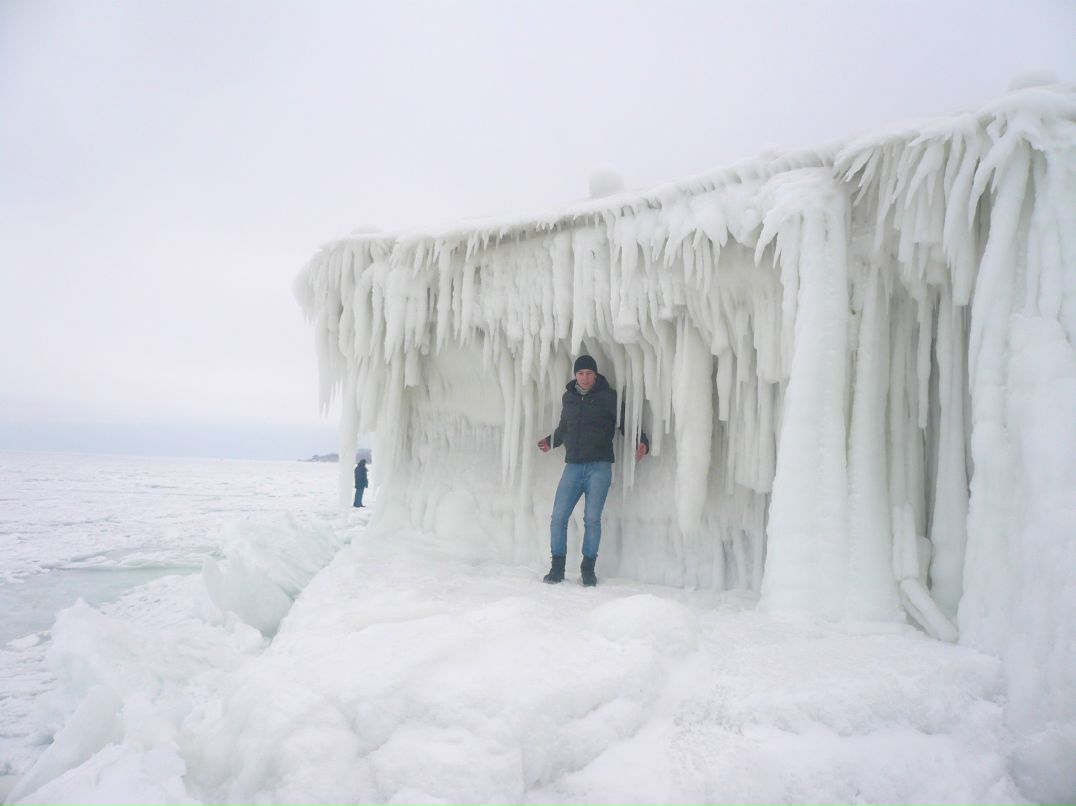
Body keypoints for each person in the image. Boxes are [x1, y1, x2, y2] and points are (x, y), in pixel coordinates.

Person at [537, 355, 648, 586]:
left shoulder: (609, 397)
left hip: (599, 467)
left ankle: (588, 570)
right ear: (575, 376)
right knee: (558, 517)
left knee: (591, 519)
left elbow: (627, 423)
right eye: (580, 373)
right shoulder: (569, 398)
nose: (584, 378)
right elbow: (565, 427)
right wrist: (551, 441)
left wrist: (642, 441)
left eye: (588, 373)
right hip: (574, 467)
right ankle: (557, 568)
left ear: (595, 375)